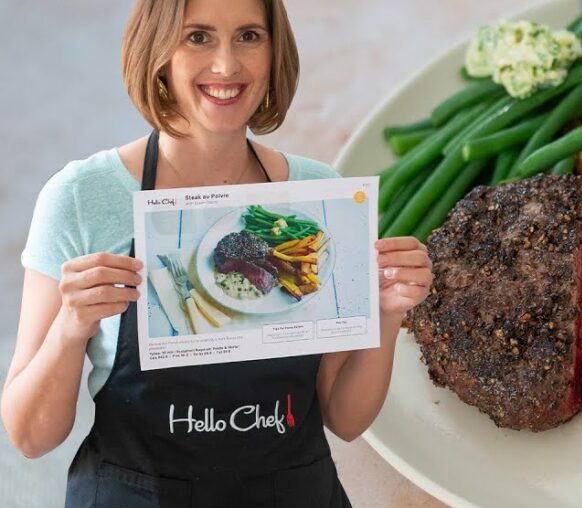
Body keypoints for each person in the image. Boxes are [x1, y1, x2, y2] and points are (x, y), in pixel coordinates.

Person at [0, 0, 432, 505]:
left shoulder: (319, 195)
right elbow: (30, 438)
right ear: (157, 50)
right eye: (198, 37)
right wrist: (69, 329)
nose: (227, 65)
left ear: (274, 51)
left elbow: (345, 418)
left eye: (249, 36)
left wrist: (384, 313)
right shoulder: (82, 197)